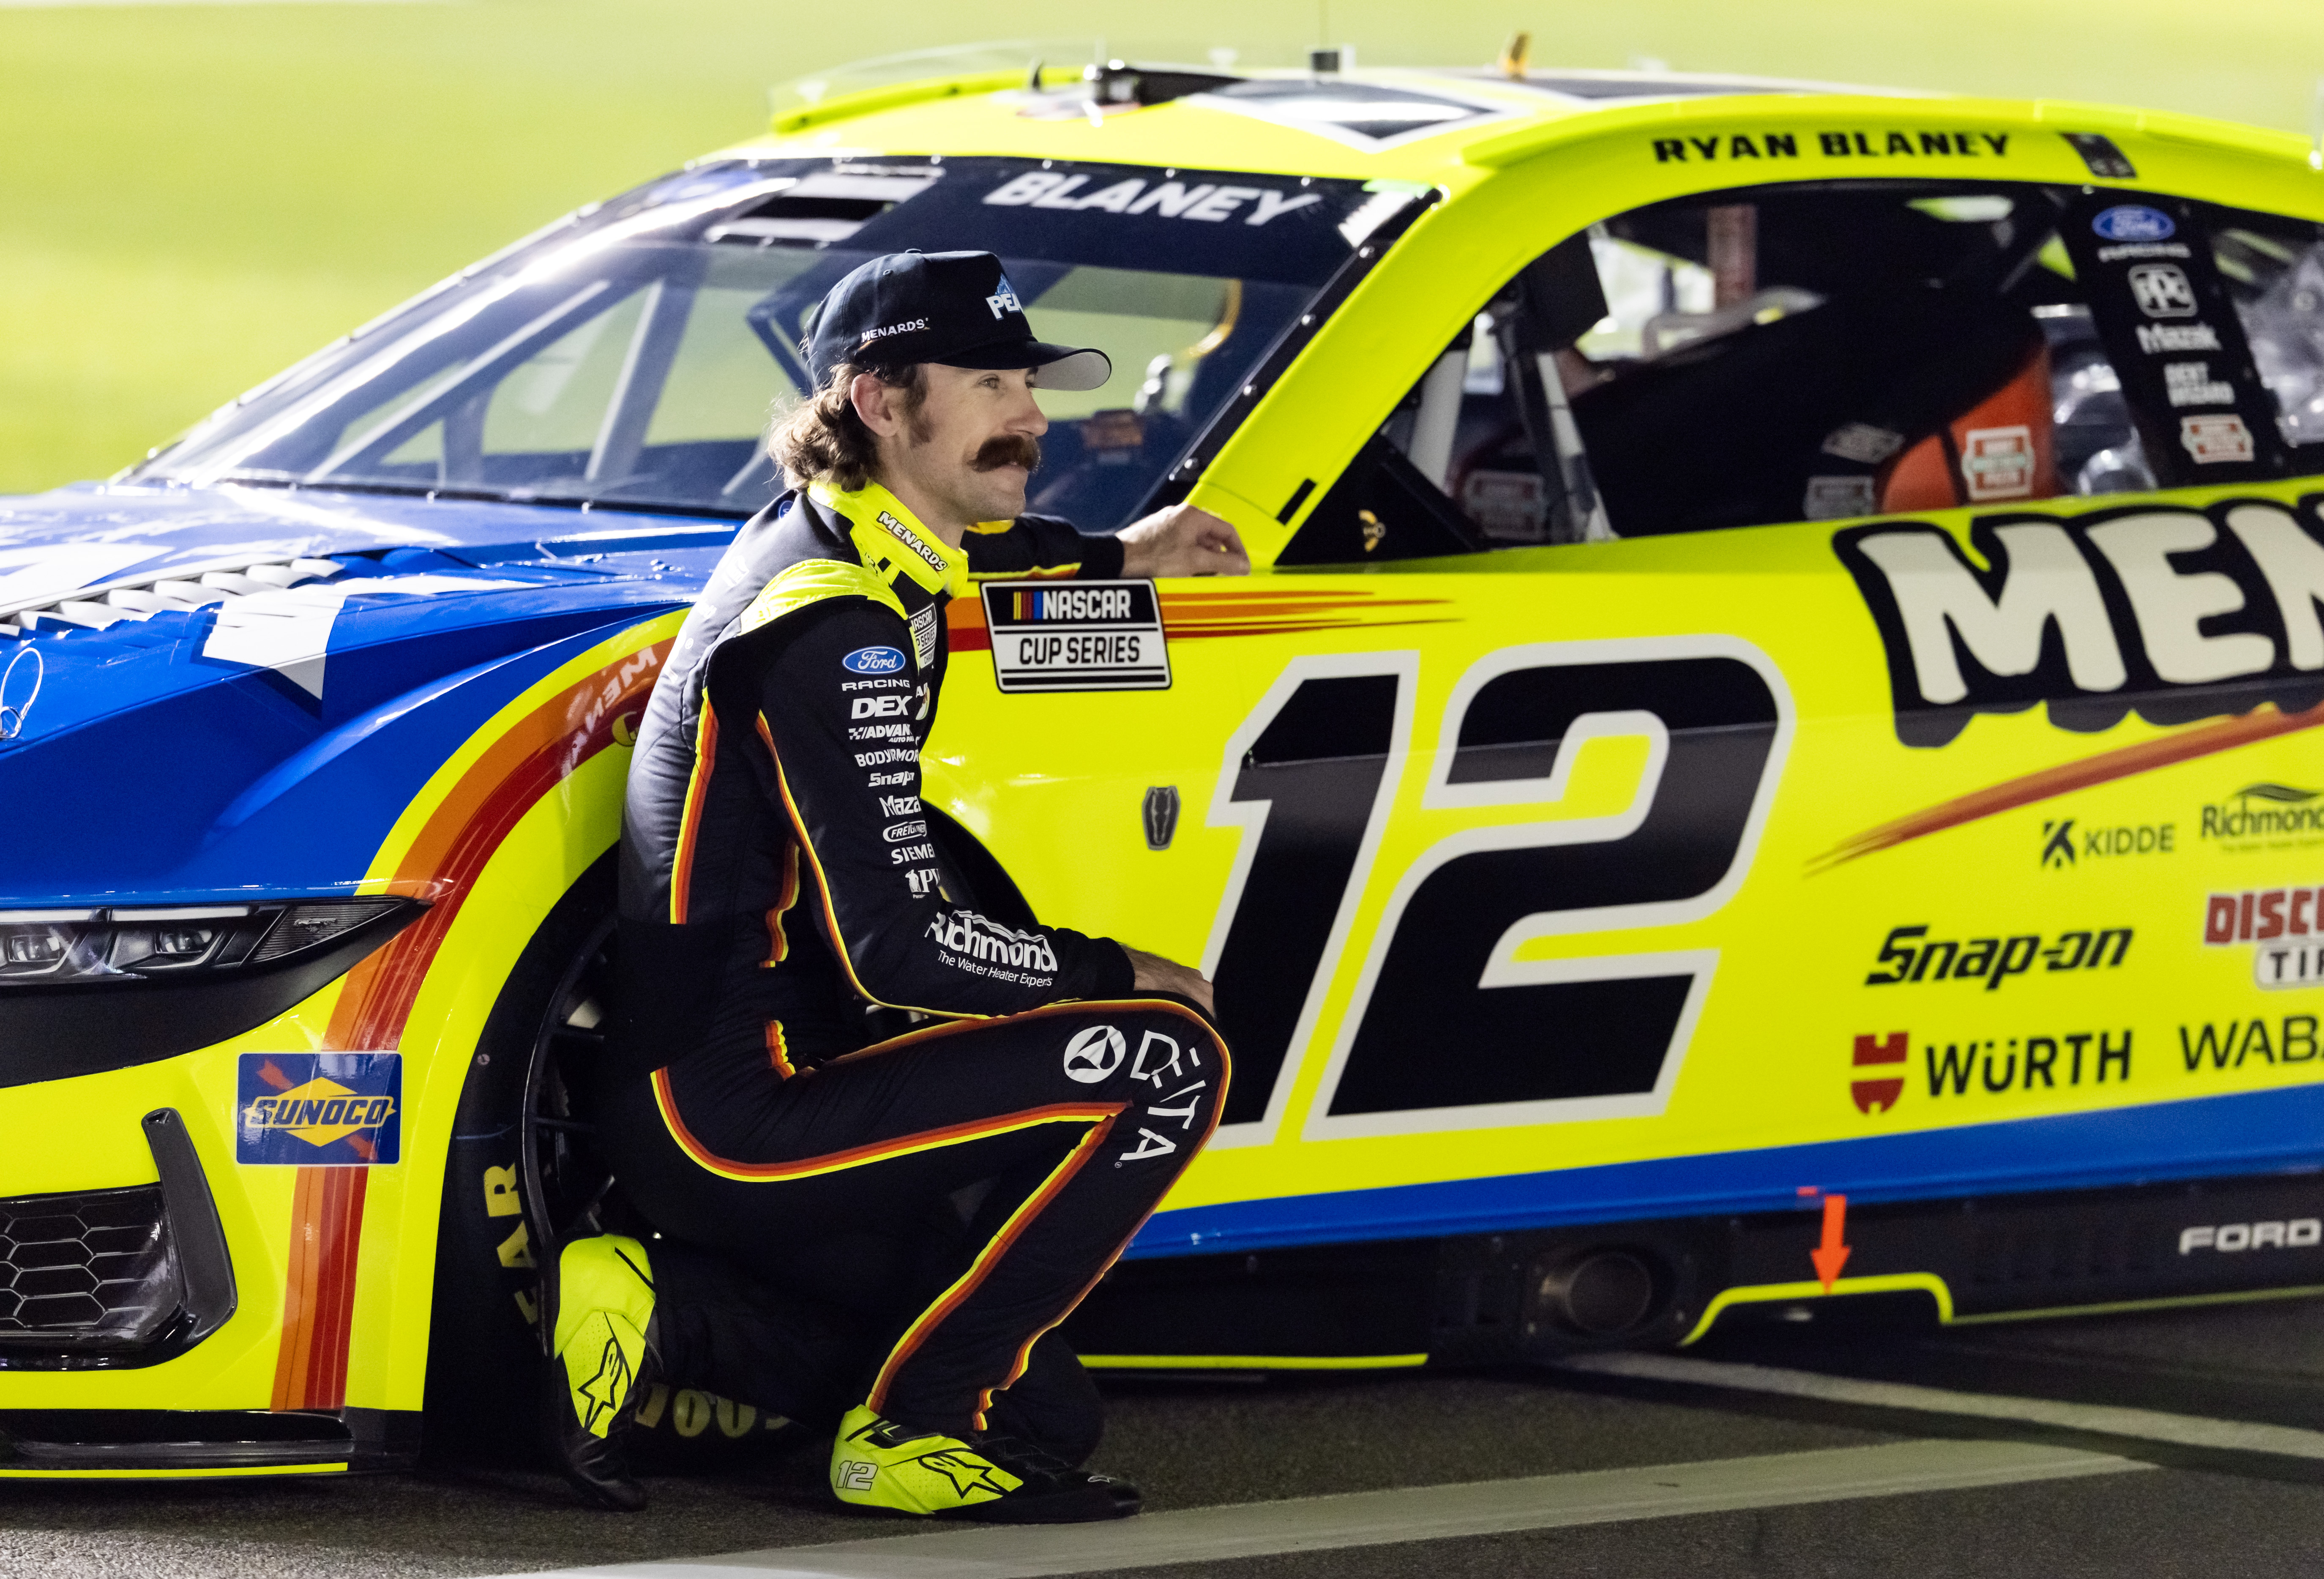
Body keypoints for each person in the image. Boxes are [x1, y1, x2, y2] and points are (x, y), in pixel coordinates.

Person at [546, 249, 1244, 1523]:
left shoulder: (854, 535)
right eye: (990, 385)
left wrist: (1117, 554)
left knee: (1045, 1419)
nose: (1032, 417)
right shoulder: (834, 623)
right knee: (1170, 1056)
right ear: (878, 400)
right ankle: (904, 1438)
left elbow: (971, 539)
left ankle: (667, 1321)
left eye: (1027, 384)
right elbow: (903, 952)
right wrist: (1120, 974)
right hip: (735, 1119)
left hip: (737, 1082)